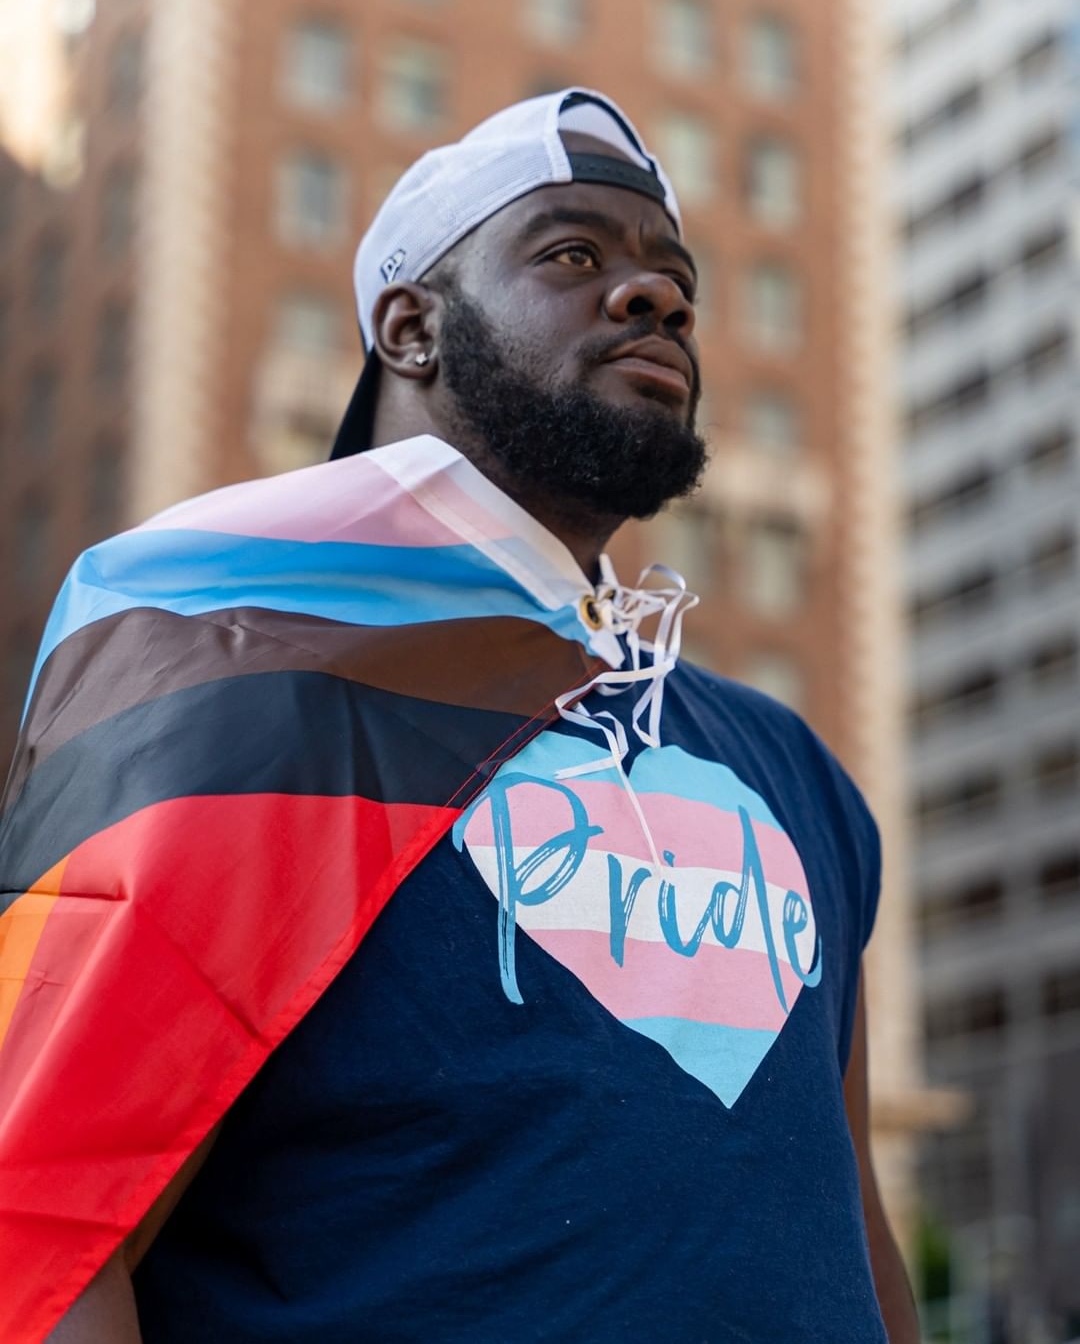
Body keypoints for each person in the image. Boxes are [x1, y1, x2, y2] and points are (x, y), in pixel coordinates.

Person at [0, 89, 919, 1342]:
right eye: (573, 254)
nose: (656, 297)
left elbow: (853, 1231)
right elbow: (48, 1223)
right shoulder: (233, 679)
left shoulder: (789, 764)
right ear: (412, 326)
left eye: (677, 282)